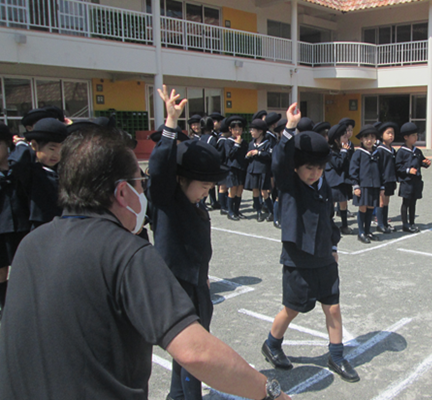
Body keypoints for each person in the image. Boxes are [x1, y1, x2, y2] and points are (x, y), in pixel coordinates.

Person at [0, 121, 290, 400]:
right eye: (140, 183)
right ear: (123, 191)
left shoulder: (30, 245)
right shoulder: (126, 253)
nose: (144, 193)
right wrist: (270, 393)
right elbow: (195, 352)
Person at [262, 103, 359, 383]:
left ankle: (337, 355)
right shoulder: (290, 184)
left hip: (324, 256)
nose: (314, 173)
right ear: (297, 167)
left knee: (333, 306)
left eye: (318, 168)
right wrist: (290, 129)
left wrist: (333, 246)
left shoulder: (324, 185)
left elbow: (328, 219)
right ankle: (272, 343)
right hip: (298, 257)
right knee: (292, 308)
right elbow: (280, 163)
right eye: (308, 168)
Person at [149, 87, 232, 400]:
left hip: (196, 284)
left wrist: (204, 275)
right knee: (193, 353)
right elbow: (159, 170)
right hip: (176, 286)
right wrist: (171, 123)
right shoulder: (166, 200)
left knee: (189, 351)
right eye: (204, 186)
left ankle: (176, 395)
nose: (205, 193)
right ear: (182, 179)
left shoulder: (195, 205)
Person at [9, 117, 68, 230]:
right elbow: (17, 162)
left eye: (61, 150)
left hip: (62, 223)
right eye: (52, 149)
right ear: (35, 146)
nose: (56, 155)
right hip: (40, 225)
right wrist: (22, 144)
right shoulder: (31, 171)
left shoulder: (62, 171)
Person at [0, 124, 25, 320]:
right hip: (2, 227)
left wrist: (21, 144)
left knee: (21, 270)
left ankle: (18, 309)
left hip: (21, 226)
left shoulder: (19, 166)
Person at [395, 122, 431, 233]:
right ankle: (405, 224)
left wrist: (426, 163)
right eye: (413, 135)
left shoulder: (417, 151)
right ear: (406, 137)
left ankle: (412, 222)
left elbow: (421, 161)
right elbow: (397, 166)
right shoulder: (401, 152)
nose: (416, 137)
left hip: (416, 181)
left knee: (413, 203)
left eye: (416, 135)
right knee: (406, 202)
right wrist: (407, 170)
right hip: (406, 181)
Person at [349, 125, 382, 244]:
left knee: (371, 207)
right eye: (366, 138)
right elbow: (353, 170)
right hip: (363, 185)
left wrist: (381, 186)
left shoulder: (377, 153)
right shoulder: (358, 153)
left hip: (375, 185)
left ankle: (368, 231)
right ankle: (361, 232)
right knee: (362, 207)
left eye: (372, 137)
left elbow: (381, 170)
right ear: (361, 140)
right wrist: (355, 185)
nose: (369, 140)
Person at [324, 123, 352, 235]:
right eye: (344, 137)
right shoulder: (330, 151)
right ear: (336, 139)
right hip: (333, 181)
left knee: (344, 202)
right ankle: (328, 225)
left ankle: (344, 225)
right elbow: (338, 164)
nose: (346, 139)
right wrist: (344, 152)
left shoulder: (345, 149)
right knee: (332, 204)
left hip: (344, 180)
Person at [245, 119, 273, 222]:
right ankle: (258, 211)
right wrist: (248, 155)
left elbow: (269, 155)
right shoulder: (251, 143)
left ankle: (271, 211)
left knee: (264, 192)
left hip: (263, 170)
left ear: (260, 131)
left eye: (253, 130)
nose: (251, 132)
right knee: (255, 191)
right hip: (253, 170)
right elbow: (247, 155)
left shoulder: (267, 143)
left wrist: (259, 153)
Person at [224, 116, 248, 220]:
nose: (237, 131)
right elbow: (229, 154)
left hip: (241, 168)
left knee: (240, 189)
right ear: (230, 129)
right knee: (233, 188)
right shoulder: (228, 141)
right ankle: (230, 211)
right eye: (235, 129)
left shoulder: (245, 142)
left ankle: (237, 210)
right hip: (232, 168)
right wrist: (236, 144)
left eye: (240, 129)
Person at [375, 122, 398, 234]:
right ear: (381, 135)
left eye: (392, 133)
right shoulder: (380, 150)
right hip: (382, 180)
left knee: (387, 201)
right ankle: (379, 224)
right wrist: (380, 182)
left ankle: (385, 222)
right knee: (381, 202)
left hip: (390, 179)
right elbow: (378, 168)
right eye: (388, 133)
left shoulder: (392, 150)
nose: (391, 135)